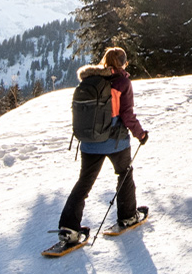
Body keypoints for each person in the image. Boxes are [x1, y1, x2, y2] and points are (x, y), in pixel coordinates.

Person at [56, 47, 149, 248]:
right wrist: (140, 134)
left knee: (84, 183)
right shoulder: (122, 82)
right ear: (123, 63)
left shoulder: (89, 80)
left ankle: (69, 229)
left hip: (89, 142)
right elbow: (127, 114)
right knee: (124, 173)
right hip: (115, 141)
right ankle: (128, 216)